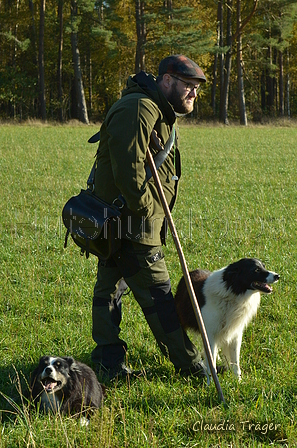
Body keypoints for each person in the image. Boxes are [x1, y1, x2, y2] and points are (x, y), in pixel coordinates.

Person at [91, 54, 207, 382]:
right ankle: (191, 367)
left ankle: (108, 362)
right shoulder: (140, 108)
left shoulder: (157, 111)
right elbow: (128, 167)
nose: (194, 94)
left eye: (197, 88)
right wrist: (145, 213)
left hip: (122, 220)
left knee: (108, 288)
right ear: (167, 80)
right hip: (132, 223)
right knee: (159, 296)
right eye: (188, 85)